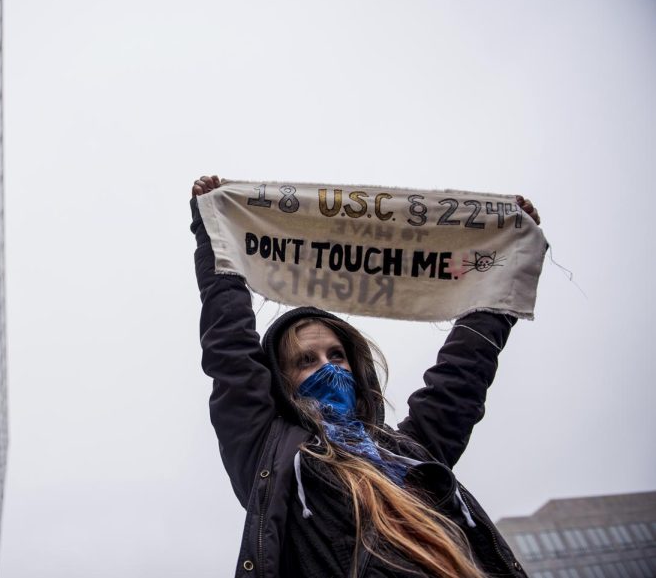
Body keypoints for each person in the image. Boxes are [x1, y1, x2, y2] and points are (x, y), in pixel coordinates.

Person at [190, 175, 540, 578]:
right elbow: (230, 348)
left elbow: (461, 377)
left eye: (336, 355)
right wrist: (213, 234)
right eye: (306, 360)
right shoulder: (273, 456)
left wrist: (504, 266)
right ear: (280, 383)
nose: (327, 366)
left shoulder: (409, 451)